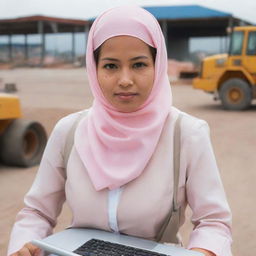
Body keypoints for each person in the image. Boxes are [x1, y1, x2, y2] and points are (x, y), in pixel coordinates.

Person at [8, 6, 232, 256]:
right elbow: (36, 212)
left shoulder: (187, 134)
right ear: (94, 69)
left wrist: (204, 252)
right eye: (111, 66)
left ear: (157, 66)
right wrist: (24, 246)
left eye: (139, 64)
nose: (125, 79)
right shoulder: (69, 131)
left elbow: (214, 222)